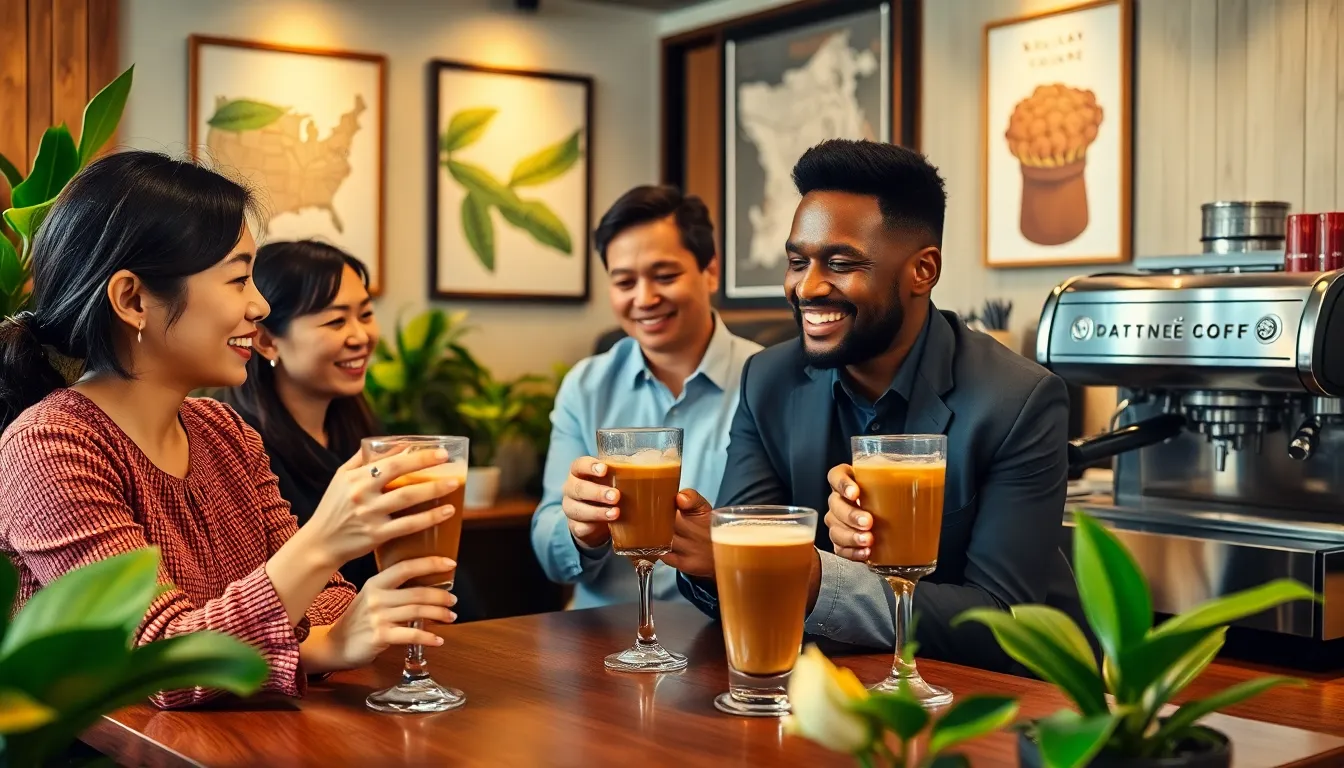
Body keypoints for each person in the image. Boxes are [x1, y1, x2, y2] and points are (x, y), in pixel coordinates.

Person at [0, 151, 461, 709]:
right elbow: (155, 665)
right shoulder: (50, 445)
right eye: (238, 279)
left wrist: (328, 633)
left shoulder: (225, 431)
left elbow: (327, 603)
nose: (259, 305)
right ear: (133, 299)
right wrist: (323, 549)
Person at [668, 139, 1071, 672]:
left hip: (991, 699)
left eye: (839, 263)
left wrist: (806, 572)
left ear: (922, 271)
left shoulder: (1017, 400)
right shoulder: (768, 379)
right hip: (823, 690)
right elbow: (736, 567)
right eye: (796, 262)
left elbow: (1003, 623)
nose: (806, 287)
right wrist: (703, 554)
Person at [529, 185, 762, 609]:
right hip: (598, 640)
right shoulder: (586, 386)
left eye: (665, 276)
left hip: (720, 631)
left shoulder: (767, 382)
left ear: (710, 271)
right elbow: (548, 546)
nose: (644, 299)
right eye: (624, 282)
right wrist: (580, 531)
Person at [221, 241, 384, 589]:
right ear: (266, 342)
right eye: (336, 321)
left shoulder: (360, 430)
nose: (361, 336)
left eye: (366, 314)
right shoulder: (239, 448)